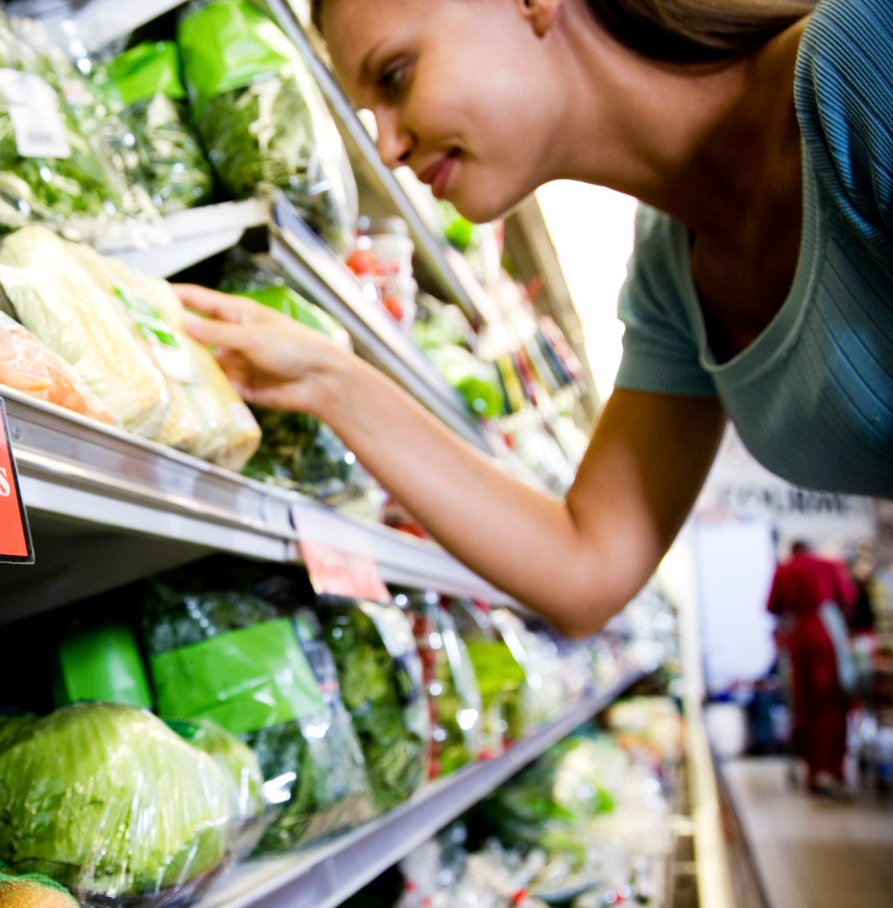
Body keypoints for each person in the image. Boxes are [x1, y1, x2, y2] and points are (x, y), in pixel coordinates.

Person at [174, 0, 893, 640]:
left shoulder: (864, 64)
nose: (388, 148)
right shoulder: (669, 274)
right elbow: (588, 565)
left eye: (395, 77)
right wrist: (328, 380)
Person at [766, 540, 858, 796]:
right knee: (832, 702)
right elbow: (847, 598)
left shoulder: (784, 569)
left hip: (798, 638)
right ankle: (832, 770)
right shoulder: (829, 565)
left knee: (805, 706)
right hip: (825, 634)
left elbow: (771, 606)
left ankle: (814, 771)